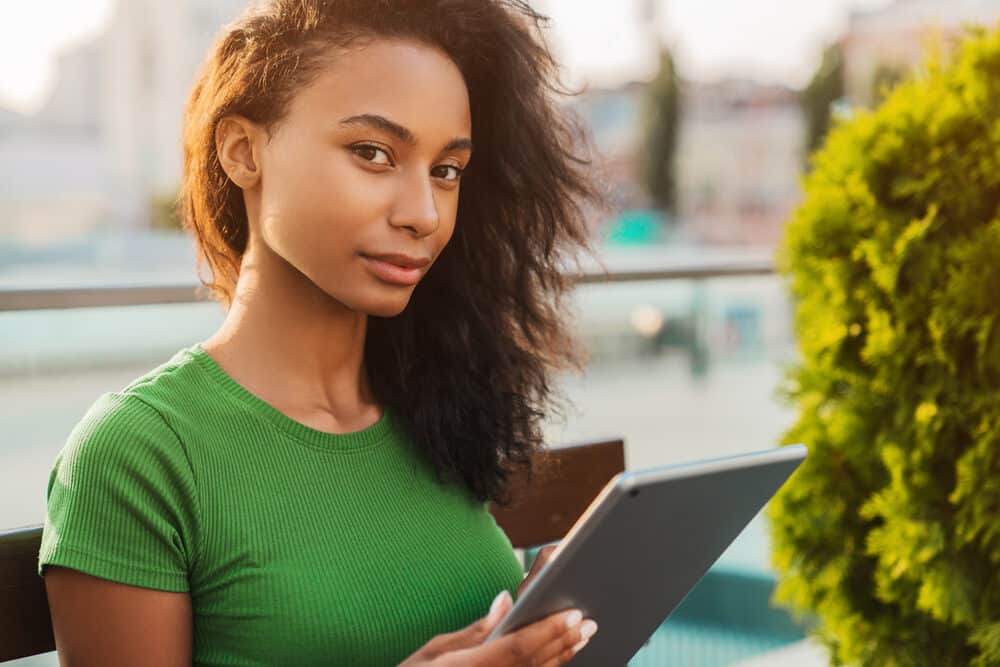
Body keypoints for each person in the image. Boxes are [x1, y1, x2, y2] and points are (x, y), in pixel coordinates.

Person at [38, 0, 603, 664]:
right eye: (372, 153)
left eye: (445, 171)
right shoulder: (140, 456)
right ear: (243, 151)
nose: (424, 213)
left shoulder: (444, 415)